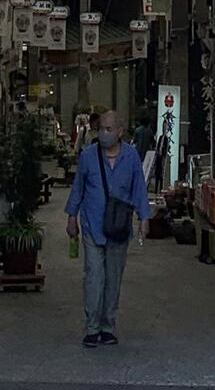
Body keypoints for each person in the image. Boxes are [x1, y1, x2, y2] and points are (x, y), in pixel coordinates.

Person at [64, 109, 151, 348]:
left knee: (113, 278)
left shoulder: (131, 157)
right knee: (94, 277)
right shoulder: (89, 156)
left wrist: (144, 218)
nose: (103, 133)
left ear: (120, 132)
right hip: (92, 224)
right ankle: (92, 327)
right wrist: (71, 216)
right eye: (101, 128)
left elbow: (139, 190)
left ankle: (108, 326)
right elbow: (78, 188)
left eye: (109, 129)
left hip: (119, 229)